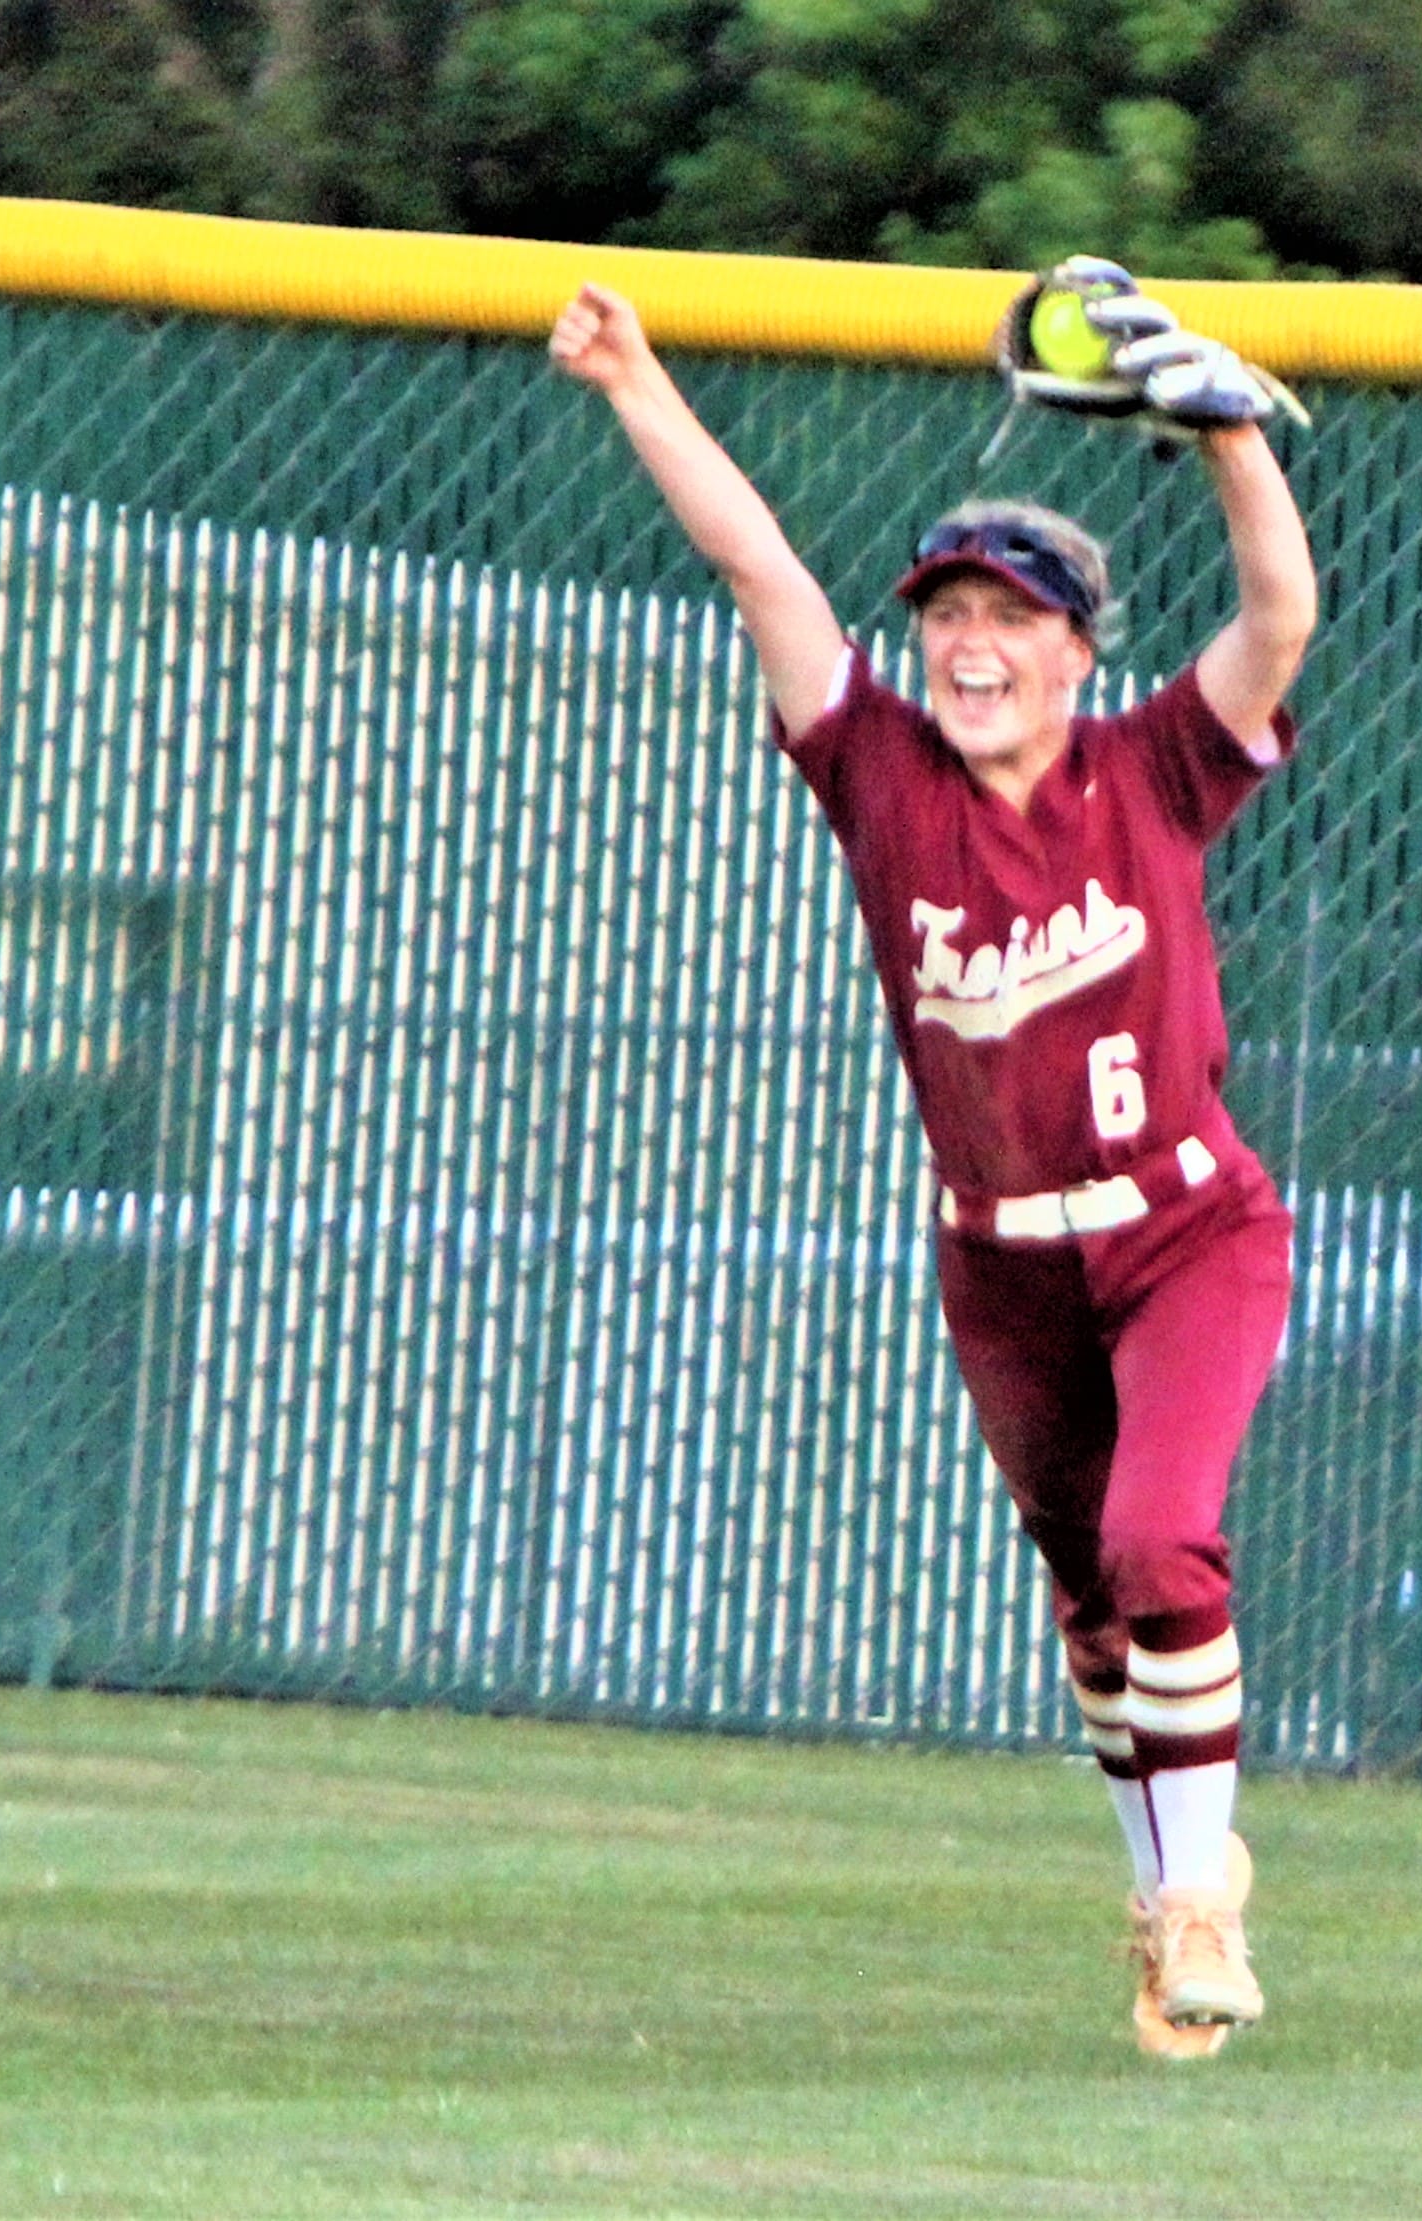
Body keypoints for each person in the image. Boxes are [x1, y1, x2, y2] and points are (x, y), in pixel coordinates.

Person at [549, 278, 1315, 2059]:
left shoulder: (1152, 771)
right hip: (1003, 1266)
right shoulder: (886, 782)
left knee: (1157, 1534)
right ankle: (1163, 1899)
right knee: (1088, 1592)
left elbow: (1279, 613)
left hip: (1189, 1230)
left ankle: (1204, 1903)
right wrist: (637, 380)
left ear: (1079, 652)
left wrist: (1227, 437)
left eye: (1012, 617)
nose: (972, 642)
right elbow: (766, 577)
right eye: (950, 612)